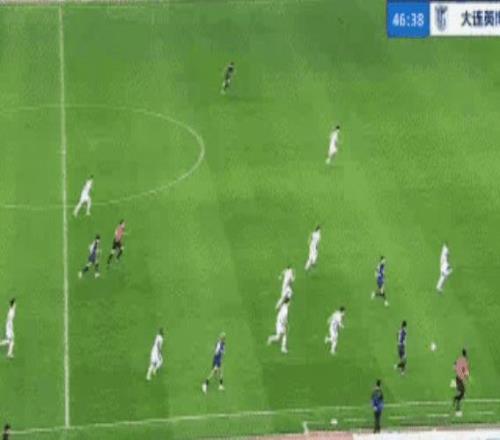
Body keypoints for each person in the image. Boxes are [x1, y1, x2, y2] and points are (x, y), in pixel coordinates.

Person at [453, 348, 470, 416]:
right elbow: (465, 371)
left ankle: (457, 403)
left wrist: (456, 369)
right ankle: (456, 402)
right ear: (466, 354)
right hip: (460, 379)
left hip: (458, 378)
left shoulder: (460, 359)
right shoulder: (465, 361)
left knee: (461, 392)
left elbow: (455, 365)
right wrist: (467, 376)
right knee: (462, 393)